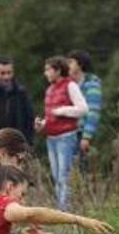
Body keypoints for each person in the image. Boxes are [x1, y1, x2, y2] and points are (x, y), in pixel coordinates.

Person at [34, 56, 89, 211]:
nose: (45, 73)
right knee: (57, 177)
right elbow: (51, 116)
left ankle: (64, 210)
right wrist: (42, 124)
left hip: (66, 137)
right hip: (51, 138)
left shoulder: (70, 85)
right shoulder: (50, 90)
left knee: (65, 176)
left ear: (58, 70)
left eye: (48, 69)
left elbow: (83, 108)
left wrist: (62, 110)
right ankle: (61, 208)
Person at [67, 50, 103, 156]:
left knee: (82, 169)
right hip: (68, 134)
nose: (67, 66)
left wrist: (86, 137)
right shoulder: (69, 86)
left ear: (80, 65)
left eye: (70, 62)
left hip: (81, 135)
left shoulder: (92, 86)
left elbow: (93, 112)